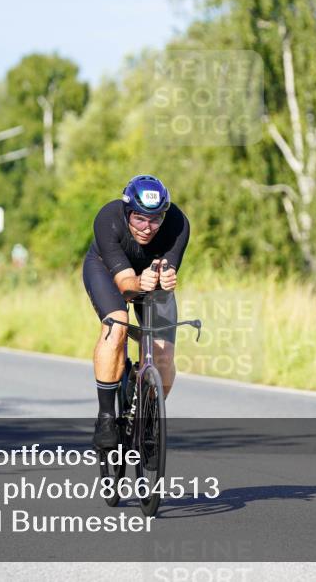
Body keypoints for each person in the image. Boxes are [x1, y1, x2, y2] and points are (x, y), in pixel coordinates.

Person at [82, 175, 190, 449]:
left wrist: (167, 278)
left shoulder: (178, 224)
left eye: (155, 219)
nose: (147, 227)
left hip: (149, 279)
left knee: (163, 355)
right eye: (140, 218)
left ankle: (148, 416)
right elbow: (127, 287)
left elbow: (167, 271)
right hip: (107, 272)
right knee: (118, 323)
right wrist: (138, 284)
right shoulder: (109, 218)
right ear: (128, 211)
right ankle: (106, 417)